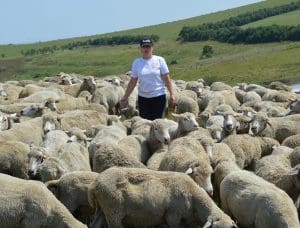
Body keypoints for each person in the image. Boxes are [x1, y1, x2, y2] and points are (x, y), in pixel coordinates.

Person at [120, 38, 175, 120]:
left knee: (157, 123)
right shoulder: (137, 62)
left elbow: (167, 78)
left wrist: (172, 94)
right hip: (143, 98)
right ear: (141, 48)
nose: (146, 49)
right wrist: (125, 97)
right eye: (144, 47)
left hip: (158, 97)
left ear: (152, 48)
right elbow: (133, 81)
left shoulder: (160, 60)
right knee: (145, 123)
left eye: (148, 47)